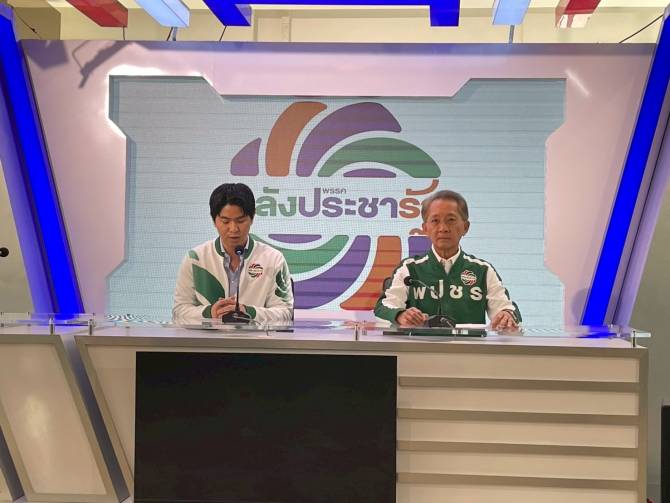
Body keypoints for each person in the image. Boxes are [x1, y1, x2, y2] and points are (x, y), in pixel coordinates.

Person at [374, 189, 520, 329]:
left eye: (451, 220)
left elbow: (506, 308)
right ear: (425, 228)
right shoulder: (409, 268)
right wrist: (400, 315)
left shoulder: (482, 270)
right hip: (419, 345)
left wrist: (506, 315)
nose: (443, 228)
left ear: (465, 227)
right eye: (435, 221)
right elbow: (385, 306)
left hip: (469, 346)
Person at [173, 183, 293, 325]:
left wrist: (249, 312)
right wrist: (210, 312)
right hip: (208, 338)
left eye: (240, 221)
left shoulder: (273, 259)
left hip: (255, 338)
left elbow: (286, 312)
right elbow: (179, 311)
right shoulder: (195, 258)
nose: (233, 228)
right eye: (225, 221)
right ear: (214, 220)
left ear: (252, 217)